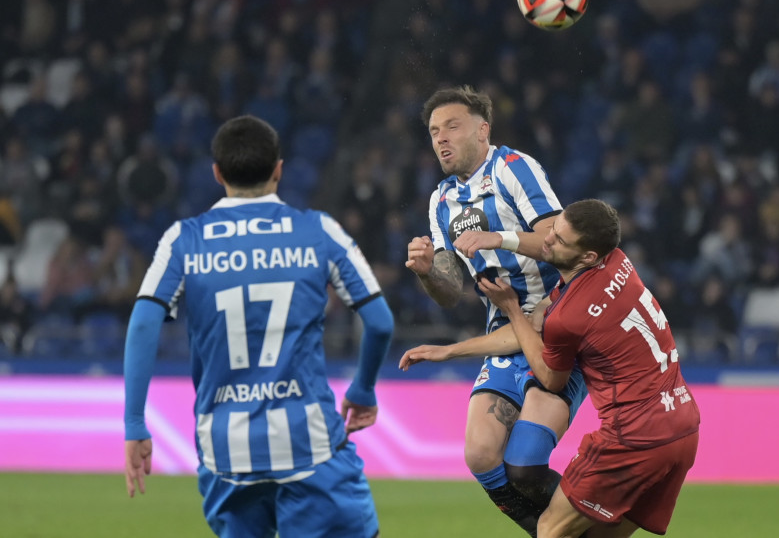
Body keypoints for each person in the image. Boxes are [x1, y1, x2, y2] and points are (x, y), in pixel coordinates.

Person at [123, 115, 394, 538]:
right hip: (309, 443)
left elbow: (142, 325)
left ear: (217, 173)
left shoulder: (184, 239)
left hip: (225, 452)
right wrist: (363, 389)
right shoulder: (319, 231)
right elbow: (379, 322)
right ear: (279, 170)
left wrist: (135, 424)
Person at [404, 199, 700, 537]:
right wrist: (450, 351)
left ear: (587, 257)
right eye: (553, 229)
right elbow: (536, 322)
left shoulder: (568, 317)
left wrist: (512, 309)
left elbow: (550, 378)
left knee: (550, 529)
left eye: (559, 240)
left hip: (634, 436)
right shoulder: (618, 262)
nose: (545, 241)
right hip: (684, 426)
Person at [405, 85, 587, 536]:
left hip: (555, 321)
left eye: (452, 126)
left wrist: (498, 238)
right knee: (481, 455)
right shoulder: (441, 201)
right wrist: (428, 271)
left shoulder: (513, 168)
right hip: (503, 332)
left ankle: (585, 530)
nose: (441, 138)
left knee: (524, 464)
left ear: (483, 130)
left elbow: (559, 244)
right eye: (433, 131)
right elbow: (449, 292)